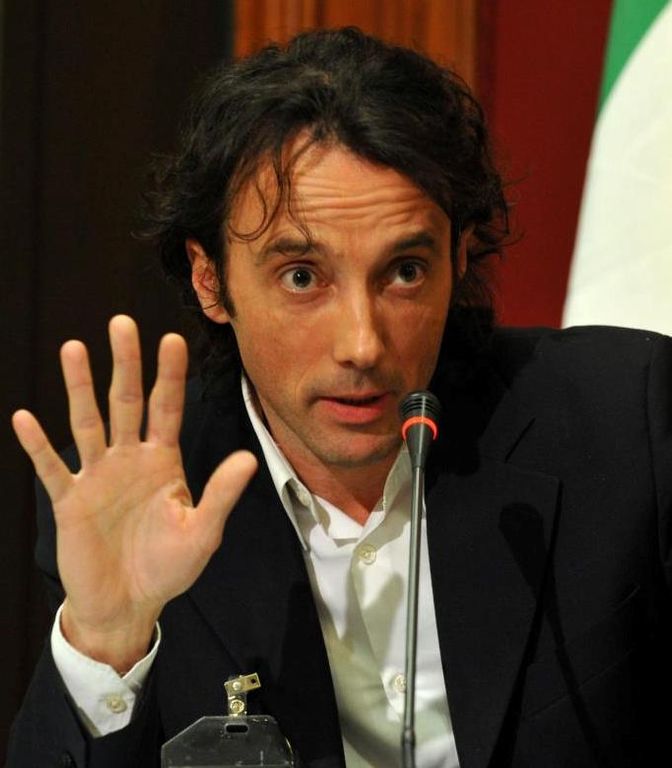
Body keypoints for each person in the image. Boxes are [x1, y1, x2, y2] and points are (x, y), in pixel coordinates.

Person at [7, 26, 672, 768]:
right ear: (210, 279)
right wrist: (105, 644)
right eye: (302, 277)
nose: (363, 343)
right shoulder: (139, 501)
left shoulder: (623, 423)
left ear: (458, 258)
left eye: (405, 272)